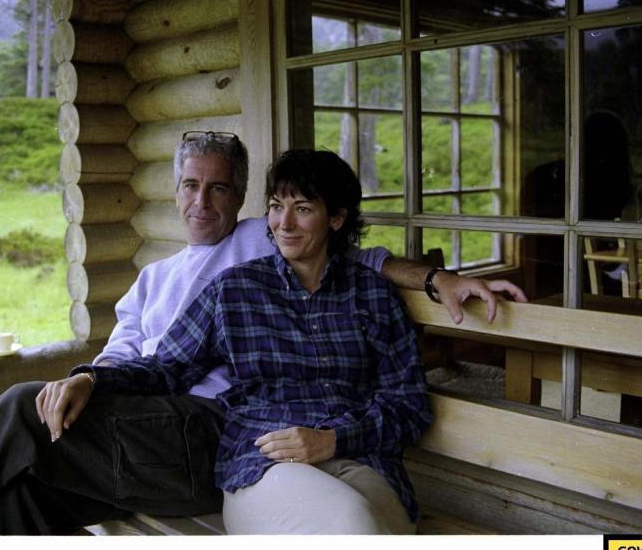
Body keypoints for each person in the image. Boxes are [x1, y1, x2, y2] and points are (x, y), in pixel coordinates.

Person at [0, 132, 525, 535]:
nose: (205, 201)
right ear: (174, 189)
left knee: (26, 417)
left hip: (209, 428)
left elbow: (370, 264)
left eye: (221, 189)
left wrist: (439, 282)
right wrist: (90, 377)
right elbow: (151, 363)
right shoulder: (165, 281)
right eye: (192, 186)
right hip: (171, 428)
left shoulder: (265, 244)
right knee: (35, 481)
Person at [68, 149, 432, 534]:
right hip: (265, 461)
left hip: (360, 457)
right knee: (355, 527)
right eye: (277, 207)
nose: (284, 223)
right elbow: (166, 367)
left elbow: (408, 405)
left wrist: (334, 441)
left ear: (337, 219)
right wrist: (92, 378)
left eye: (304, 209)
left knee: (385, 529)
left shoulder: (373, 295)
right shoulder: (234, 289)